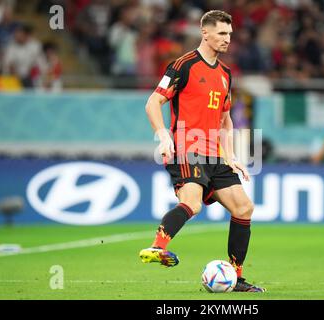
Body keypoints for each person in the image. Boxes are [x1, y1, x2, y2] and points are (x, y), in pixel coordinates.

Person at [139, 10, 265, 293]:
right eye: (221, 33)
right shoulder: (183, 65)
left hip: (215, 155)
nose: (227, 39)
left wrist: (231, 156)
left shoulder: (225, 74)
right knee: (192, 204)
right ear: (204, 33)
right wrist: (163, 137)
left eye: (229, 34)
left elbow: (225, 120)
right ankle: (157, 248)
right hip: (187, 148)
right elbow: (152, 103)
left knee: (244, 207)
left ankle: (236, 277)